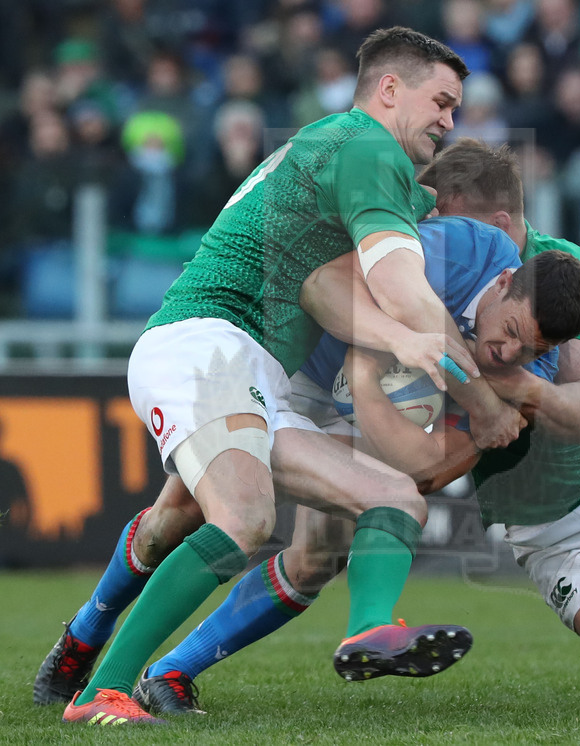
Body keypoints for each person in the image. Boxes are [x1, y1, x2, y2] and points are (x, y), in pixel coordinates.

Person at [111, 138, 580, 714]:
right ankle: (154, 667)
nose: (423, 230)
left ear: (496, 228)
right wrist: (394, 404)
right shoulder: (428, 279)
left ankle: (148, 660)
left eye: (444, 216)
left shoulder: (564, 280)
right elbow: (421, 456)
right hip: (551, 534)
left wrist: (498, 387)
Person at [41, 27, 492, 726]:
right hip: (208, 346)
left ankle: (369, 628)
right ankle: (106, 688)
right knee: (244, 516)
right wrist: (460, 371)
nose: (448, 120)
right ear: (390, 89)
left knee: (392, 497)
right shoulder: (366, 145)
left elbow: (328, 281)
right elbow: (397, 280)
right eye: (442, 102)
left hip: (254, 373)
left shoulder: (332, 147)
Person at [129, 214, 580, 713]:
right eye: (510, 330)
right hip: (284, 364)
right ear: (504, 282)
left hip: (354, 412)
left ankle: (168, 673)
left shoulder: (530, 373)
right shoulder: (460, 251)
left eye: (532, 349)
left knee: (318, 554)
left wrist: (374, 391)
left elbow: (430, 471)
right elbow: (330, 283)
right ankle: (87, 643)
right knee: (173, 521)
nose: (510, 352)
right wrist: (378, 367)